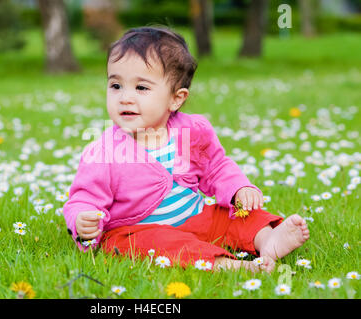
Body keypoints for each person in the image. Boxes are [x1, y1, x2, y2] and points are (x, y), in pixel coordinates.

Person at [62, 26, 309, 273]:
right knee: (154, 245)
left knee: (234, 216)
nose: (125, 97)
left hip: (196, 216)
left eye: (141, 88)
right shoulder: (105, 152)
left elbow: (216, 167)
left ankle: (268, 240)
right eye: (116, 85)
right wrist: (82, 219)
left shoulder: (190, 132)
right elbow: (84, 197)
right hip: (139, 230)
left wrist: (238, 187)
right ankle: (228, 265)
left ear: (176, 99)